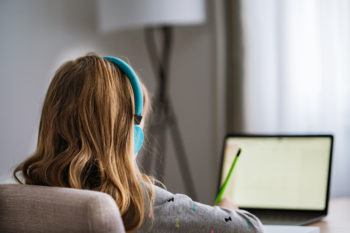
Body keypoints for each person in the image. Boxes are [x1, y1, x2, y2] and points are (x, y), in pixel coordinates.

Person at [13, 54, 263, 233]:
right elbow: (250, 228)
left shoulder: (22, 198)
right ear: (131, 135)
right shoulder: (141, 205)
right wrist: (226, 206)